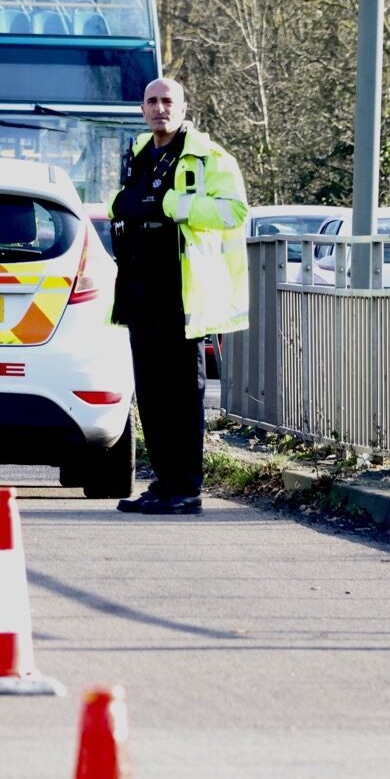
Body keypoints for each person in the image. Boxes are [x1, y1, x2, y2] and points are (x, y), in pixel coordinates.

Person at [110, 76, 248, 514]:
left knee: (182, 396)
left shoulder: (210, 157)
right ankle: (163, 485)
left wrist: (179, 205)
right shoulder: (137, 154)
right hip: (139, 289)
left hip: (183, 293)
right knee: (150, 394)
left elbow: (235, 210)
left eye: (168, 100)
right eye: (152, 101)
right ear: (142, 109)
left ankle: (186, 489)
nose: (159, 108)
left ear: (184, 107)